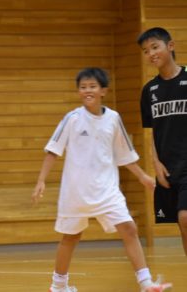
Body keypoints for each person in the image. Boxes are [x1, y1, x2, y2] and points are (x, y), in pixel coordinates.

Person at [32, 67, 172, 292]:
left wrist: (143, 177)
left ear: (103, 90)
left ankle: (146, 283)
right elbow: (53, 151)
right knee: (71, 237)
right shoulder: (73, 118)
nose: (87, 91)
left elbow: (124, 154)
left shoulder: (114, 119)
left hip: (107, 191)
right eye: (83, 87)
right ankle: (58, 286)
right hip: (76, 192)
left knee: (129, 228)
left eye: (92, 86)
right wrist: (41, 180)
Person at [138, 27, 187, 256]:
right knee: (182, 225)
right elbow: (150, 132)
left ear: (171, 46)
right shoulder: (149, 91)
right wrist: (156, 164)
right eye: (146, 51)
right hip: (168, 167)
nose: (151, 54)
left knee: (185, 217)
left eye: (155, 47)